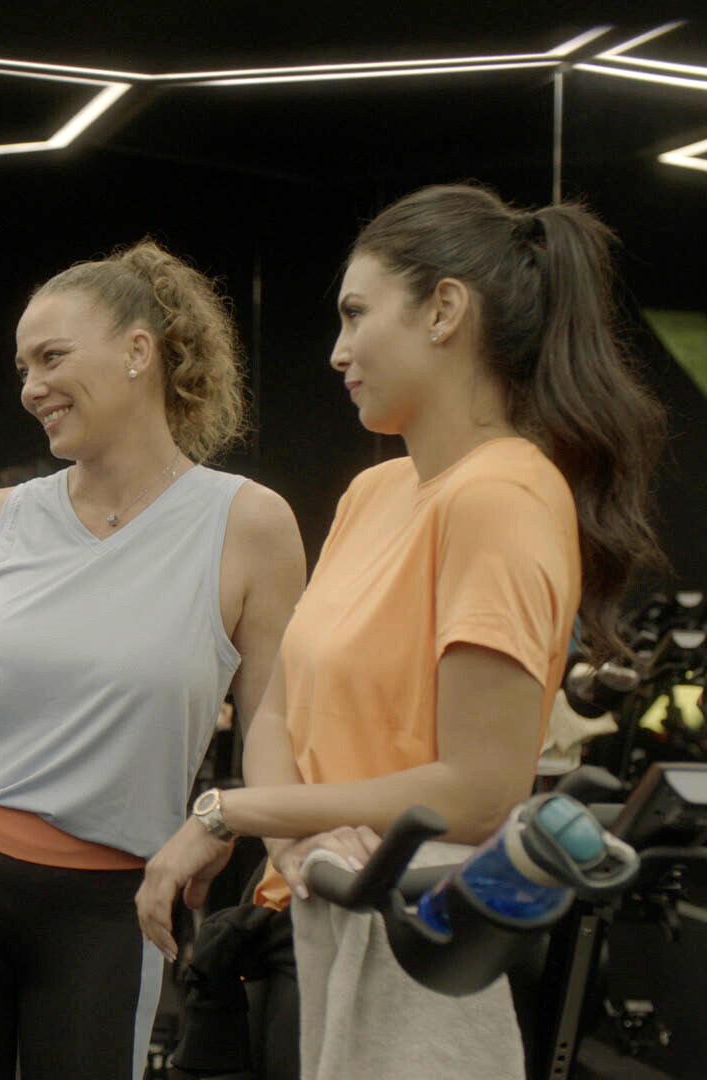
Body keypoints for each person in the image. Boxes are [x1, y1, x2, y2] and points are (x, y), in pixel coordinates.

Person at [133, 184, 666, 1080]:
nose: (337, 351)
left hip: (414, 940)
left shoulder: (501, 496)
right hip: (311, 912)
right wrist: (296, 843)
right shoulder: (373, 493)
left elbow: (478, 790)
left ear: (445, 310)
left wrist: (231, 812)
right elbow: (279, 712)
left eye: (356, 314)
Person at [0, 239, 306, 1079]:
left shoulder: (250, 525)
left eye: (51, 357)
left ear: (138, 351)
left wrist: (251, 828)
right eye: (22, 368)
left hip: (112, 901)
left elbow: (276, 725)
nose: (30, 387)